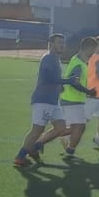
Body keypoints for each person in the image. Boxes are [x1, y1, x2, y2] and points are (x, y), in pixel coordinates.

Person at [13, 33, 73, 168]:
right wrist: (68, 81)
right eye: (59, 43)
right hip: (43, 100)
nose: (62, 45)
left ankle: (35, 146)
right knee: (37, 130)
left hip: (53, 101)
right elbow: (48, 79)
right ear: (51, 44)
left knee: (61, 128)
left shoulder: (56, 59)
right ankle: (20, 156)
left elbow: (54, 80)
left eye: (63, 43)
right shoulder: (48, 58)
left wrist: (61, 86)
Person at [57, 36, 99, 161]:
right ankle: (68, 151)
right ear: (89, 48)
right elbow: (73, 82)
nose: (93, 53)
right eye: (93, 50)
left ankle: (45, 139)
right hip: (72, 100)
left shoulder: (77, 60)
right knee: (80, 127)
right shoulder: (79, 64)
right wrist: (88, 91)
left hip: (72, 100)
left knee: (74, 128)